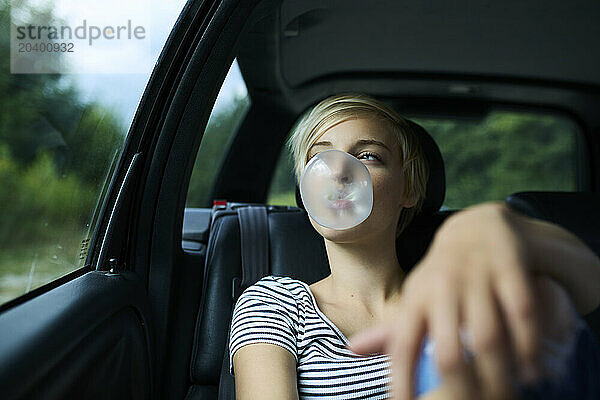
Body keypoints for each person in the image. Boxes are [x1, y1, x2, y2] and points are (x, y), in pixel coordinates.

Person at [228, 93, 600, 399]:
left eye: (368, 156)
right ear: (305, 187)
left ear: (409, 190)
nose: (338, 171)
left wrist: (510, 227)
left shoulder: (458, 294)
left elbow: (590, 291)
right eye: (320, 157)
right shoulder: (274, 304)